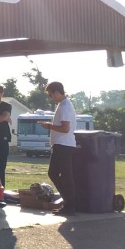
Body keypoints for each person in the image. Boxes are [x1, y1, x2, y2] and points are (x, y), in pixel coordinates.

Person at [42, 81, 77, 215]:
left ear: (57, 92)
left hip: (64, 145)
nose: (51, 98)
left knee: (65, 175)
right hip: (61, 144)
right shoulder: (62, 105)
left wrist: (49, 126)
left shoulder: (65, 106)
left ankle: (70, 204)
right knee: (57, 174)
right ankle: (68, 202)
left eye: (51, 95)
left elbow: (65, 128)